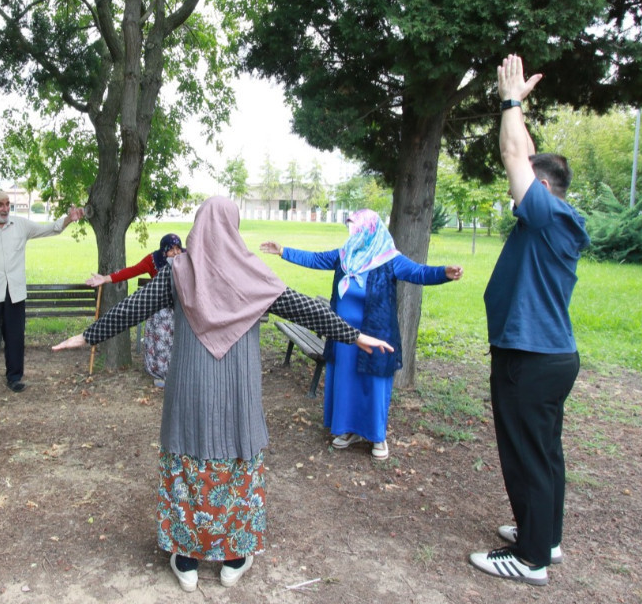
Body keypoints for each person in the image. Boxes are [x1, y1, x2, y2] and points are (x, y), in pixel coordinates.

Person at [53, 197, 394, 593]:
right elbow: (302, 307)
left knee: (189, 466)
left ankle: (188, 556)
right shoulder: (250, 274)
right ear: (234, 228)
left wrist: (87, 336)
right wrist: (355, 335)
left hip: (189, 393)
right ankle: (233, 553)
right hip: (238, 394)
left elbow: (132, 308)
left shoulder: (178, 271)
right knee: (234, 467)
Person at [467, 54, 590, 586]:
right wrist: (519, 118)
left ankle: (530, 560)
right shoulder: (553, 220)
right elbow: (521, 151)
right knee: (544, 453)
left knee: (526, 456)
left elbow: (515, 152)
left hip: (531, 358)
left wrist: (511, 102)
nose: (512, 190)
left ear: (538, 186)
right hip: (545, 356)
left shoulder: (544, 215)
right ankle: (545, 537)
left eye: (521, 182)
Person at [260, 211, 462, 459]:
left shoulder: (389, 259)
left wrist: (444, 273)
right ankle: (346, 430)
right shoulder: (345, 256)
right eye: (352, 228)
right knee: (345, 381)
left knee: (374, 384)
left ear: (371, 231)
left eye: (357, 229)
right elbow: (315, 259)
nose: (353, 233)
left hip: (375, 333)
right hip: (343, 335)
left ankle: (377, 437)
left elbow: (418, 273)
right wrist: (282, 251)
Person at [0, 191, 85, 399]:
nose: (4, 209)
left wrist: (68, 219)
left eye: (7, 204)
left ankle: (15, 378)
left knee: (15, 338)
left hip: (14, 293)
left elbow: (50, 228)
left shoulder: (20, 225)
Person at [85, 233, 185, 387]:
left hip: (180, 307)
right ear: (163, 250)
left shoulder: (186, 259)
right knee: (160, 337)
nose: (176, 253)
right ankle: (161, 374)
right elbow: (132, 271)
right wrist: (105, 278)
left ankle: (179, 372)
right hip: (159, 308)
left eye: (178, 248)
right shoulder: (153, 260)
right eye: (171, 250)